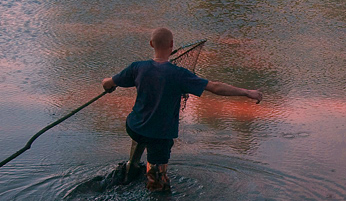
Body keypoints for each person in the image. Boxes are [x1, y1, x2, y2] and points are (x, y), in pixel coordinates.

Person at [102, 28, 263, 191]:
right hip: (160, 135)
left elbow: (108, 83)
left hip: (134, 127)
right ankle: (157, 194)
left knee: (142, 131)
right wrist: (247, 92)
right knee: (159, 183)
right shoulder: (179, 74)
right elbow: (215, 87)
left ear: (151, 44)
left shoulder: (137, 68)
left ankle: (133, 165)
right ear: (172, 44)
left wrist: (107, 85)